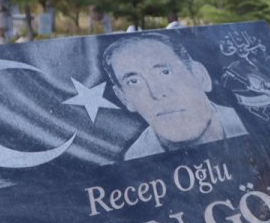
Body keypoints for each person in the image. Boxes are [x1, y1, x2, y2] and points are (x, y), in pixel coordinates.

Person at [103, 32, 248, 160]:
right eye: (134, 81)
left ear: (200, 76)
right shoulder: (134, 159)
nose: (157, 93)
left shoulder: (250, 122)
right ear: (124, 98)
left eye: (165, 72)